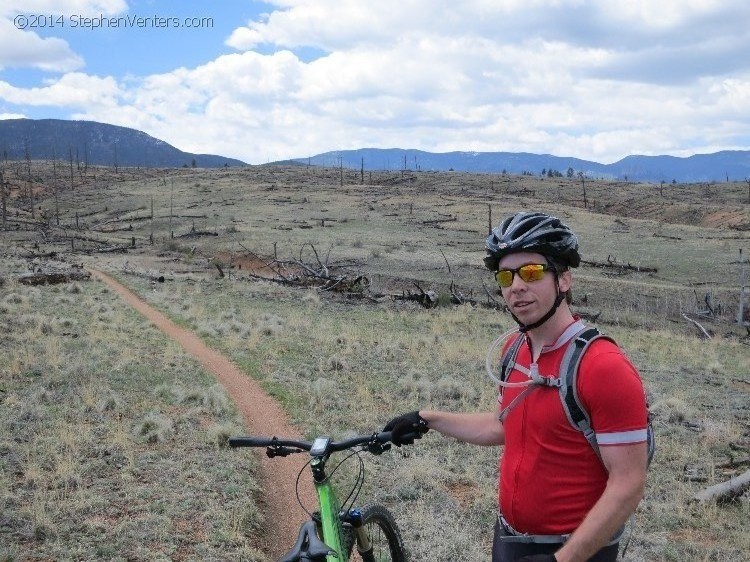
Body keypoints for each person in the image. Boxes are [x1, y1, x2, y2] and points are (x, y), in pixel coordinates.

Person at [384, 211, 649, 562]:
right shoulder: (515, 350)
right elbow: (503, 425)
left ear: (564, 279)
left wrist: (563, 559)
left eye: (532, 272)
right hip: (509, 538)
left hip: (577, 550)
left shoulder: (603, 367)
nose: (517, 286)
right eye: (506, 276)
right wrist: (426, 418)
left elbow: (628, 484)